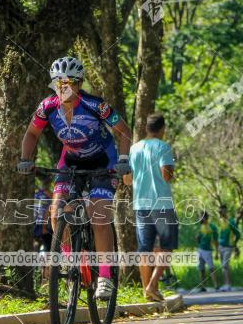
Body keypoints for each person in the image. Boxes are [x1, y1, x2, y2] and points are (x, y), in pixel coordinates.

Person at [18, 56, 133, 300]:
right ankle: (73, 264)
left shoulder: (96, 105)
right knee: (57, 213)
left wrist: (123, 160)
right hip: (70, 161)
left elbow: (124, 131)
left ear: (79, 84)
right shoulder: (47, 107)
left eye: (69, 82)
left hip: (103, 161)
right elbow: (31, 133)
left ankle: (104, 277)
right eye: (58, 82)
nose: (64, 87)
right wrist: (25, 158)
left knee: (99, 217)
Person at [124, 113, 176, 302]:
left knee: (144, 249)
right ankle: (152, 285)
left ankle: (148, 292)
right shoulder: (163, 147)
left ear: (146, 128)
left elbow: (127, 179)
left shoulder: (134, 149)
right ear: (163, 129)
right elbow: (166, 175)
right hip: (161, 203)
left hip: (141, 204)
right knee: (166, 247)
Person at [216, 204, 241, 292]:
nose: (220, 212)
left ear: (225, 211)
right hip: (220, 246)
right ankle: (225, 284)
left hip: (228, 247)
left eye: (221, 210)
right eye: (219, 211)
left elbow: (237, 234)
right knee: (223, 266)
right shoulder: (220, 221)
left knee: (225, 265)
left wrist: (234, 244)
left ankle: (228, 284)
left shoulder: (231, 221)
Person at [196, 212, 219, 292]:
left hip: (208, 250)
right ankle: (203, 286)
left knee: (211, 268)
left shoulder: (212, 227)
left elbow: (215, 240)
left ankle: (216, 285)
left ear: (205, 218)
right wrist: (197, 238)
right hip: (200, 250)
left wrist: (216, 252)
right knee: (201, 269)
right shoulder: (200, 227)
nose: (199, 219)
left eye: (201, 217)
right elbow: (198, 240)